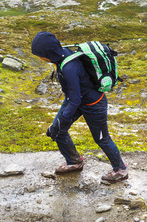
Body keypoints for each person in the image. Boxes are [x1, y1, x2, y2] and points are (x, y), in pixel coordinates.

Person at [31, 31, 128, 183]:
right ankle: (74, 162)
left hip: (94, 104)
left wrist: (60, 121)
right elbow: (74, 98)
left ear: (47, 53)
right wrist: (58, 124)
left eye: (40, 54)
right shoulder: (61, 54)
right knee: (58, 131)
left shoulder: (69, 68)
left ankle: (120, 170)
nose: (39, 58)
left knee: (102, 139)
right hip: (76, 100)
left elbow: (74, 100)